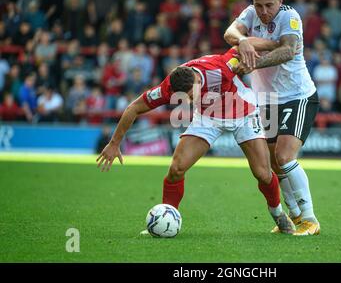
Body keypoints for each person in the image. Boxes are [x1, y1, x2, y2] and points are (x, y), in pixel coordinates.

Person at [96, 42, 297, 235]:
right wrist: (114, 143)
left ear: (198, 80)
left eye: (193, 95)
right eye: (187, 98)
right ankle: (167, 218)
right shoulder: (169, 86)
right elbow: (134, 108)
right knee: (176, 168)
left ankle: (277, 213)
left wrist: (275, 44)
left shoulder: (221, 67)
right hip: (208, 118)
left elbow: (240, 47)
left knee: (262, 173)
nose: (191, 100)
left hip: (243, 113)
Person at [224, 0, 320, 236]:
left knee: (285, 157)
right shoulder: (250, 13)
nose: (264, 12)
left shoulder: (290, 18)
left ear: (281, 0)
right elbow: (229, 33)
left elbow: (288, 50)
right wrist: (243, 40)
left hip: (296, 95)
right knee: (274, 166)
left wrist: (253, 62)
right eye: (259, 5)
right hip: (265, 101)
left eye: (269, 5)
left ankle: (310, 219)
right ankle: (295, 217)